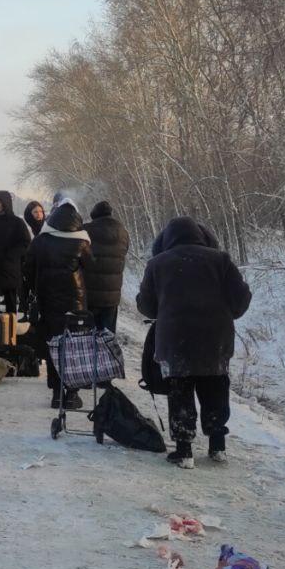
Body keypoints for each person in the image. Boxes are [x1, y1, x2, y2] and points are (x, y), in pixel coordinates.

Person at [136, 216, 251, 470]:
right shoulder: (220, 260)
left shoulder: (158, 263)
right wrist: (225, 313)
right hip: (215, 337)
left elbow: (147, 306)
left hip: (175, 338)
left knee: (180, 390)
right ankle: (217, 445)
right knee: (216, 386)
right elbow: (241, 298)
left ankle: (184, 450)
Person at [22, 199, 92, 411]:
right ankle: (72, 394)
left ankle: (56, 394)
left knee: (54, 345)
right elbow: (91, 269)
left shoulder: (41, 240)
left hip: (48, 300)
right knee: (73, 347)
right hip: (75, 302)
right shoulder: (82, 242)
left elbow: (28, 267)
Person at [0, 191, 32, 316]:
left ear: (5, 203)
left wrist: (11, 256)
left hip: (9, 269)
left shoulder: (17, 223)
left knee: (10, 306)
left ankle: (11, 333)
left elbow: (25, 242)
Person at [86, 200, 130, 333]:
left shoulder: (86, 230)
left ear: (94, 215)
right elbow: (124, 251)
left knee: (90, 338)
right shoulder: (123, 232)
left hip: (90, 295)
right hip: (112, 296)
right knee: (108, 337)